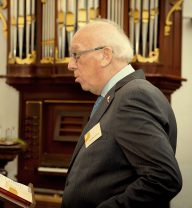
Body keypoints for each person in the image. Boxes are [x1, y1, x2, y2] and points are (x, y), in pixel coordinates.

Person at [61, 19, 182, 208]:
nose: (70, 65)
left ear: (105, 55)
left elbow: (163, 178)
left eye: (76, 54)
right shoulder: (117, 96)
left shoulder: (133, 97)